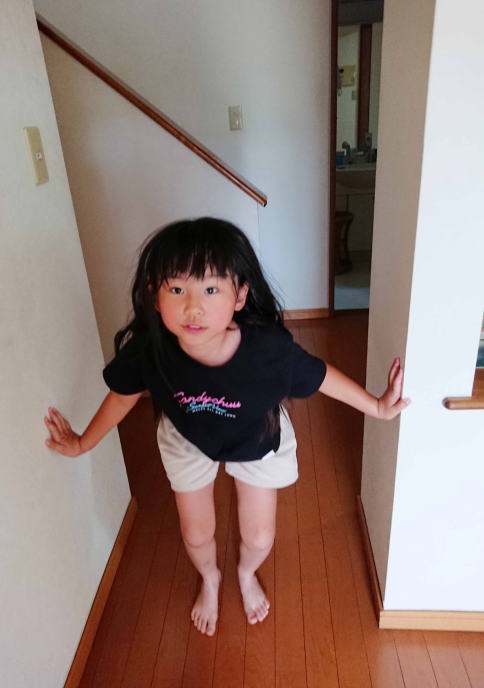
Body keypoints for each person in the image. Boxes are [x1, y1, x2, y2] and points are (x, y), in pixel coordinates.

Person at [44, 217, 410, 637]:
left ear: (240, 295)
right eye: (176, 290)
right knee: (196, 534)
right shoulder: (150, 350)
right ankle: (210, 577)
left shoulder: (267, 350)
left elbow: (320, 375)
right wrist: (82, 443)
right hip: (187, 437)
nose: (193, 307)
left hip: (256, 436)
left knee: (259, 537)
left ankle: (246, 572)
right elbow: (123, 396)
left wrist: (377, 406)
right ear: (154, 297)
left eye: (210, 290)